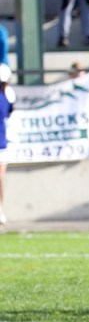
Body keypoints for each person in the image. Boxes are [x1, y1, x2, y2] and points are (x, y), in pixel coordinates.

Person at [0, 61, 13, 226]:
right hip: (2, 143)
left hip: (2, 143)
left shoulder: (6, 96)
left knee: (0, 179)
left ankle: (0, 210)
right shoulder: (6, 96)